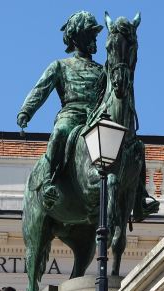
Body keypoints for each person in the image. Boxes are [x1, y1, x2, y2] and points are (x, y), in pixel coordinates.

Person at [17, 11, 104, 209]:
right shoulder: (60, 66)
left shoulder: (102, 70)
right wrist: (26, 111)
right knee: (60, 132)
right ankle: (48, 182)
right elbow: (41, 89)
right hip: (72, 114)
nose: (95, 37)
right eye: (91, 33)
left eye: (95, 34)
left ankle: (140, 196)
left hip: (98, 116)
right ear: (77, 36)